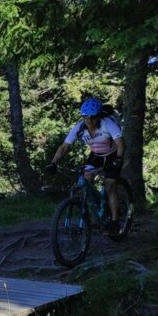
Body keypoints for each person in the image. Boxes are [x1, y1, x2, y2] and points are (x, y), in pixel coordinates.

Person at [45, 96, 125, 231]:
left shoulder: (107, 124)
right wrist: (53, 163)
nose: (89, 120)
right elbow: (64, 147)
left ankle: (115, 221)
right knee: (85, 181)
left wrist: (119, 158)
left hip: (112, 156)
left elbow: (120, 143)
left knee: (110, 184)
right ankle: (95, 213)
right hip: (96, 156)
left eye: (92, 117)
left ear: (99, 115)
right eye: (86, 117)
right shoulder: (80, 127)